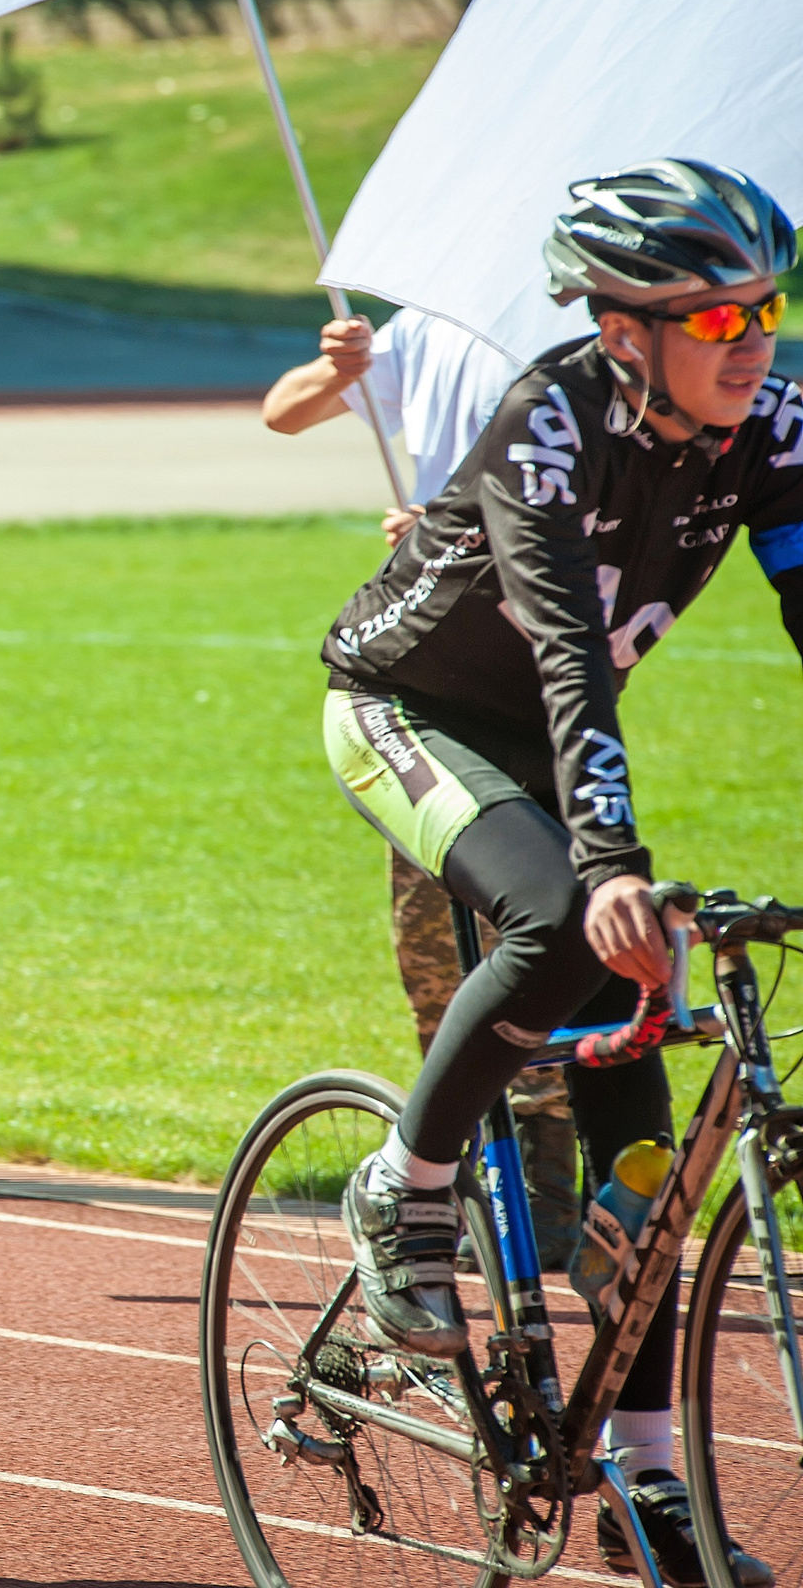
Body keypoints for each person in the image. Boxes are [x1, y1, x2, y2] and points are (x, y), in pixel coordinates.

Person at [323, 159, 792, 1587]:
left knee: (645, 1176)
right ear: (623, 330)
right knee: (558, 918)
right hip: (410, 714)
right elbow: (569, 657)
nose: (754, 341)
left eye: (766, 309)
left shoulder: (773, 420)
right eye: (715, 321)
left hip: (541, 747)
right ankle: (402, 1184)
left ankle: (649, 1489)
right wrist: (608, 864)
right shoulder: (548, 422)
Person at [263, 309, 583, 1265]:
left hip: (535, 678)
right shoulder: (430, 315)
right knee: (435, 959)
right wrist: (340, 371)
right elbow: (283, 412)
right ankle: (455, 1183)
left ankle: (549, 1190)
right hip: (431, 671)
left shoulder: (578, 333)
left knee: (554, 941)